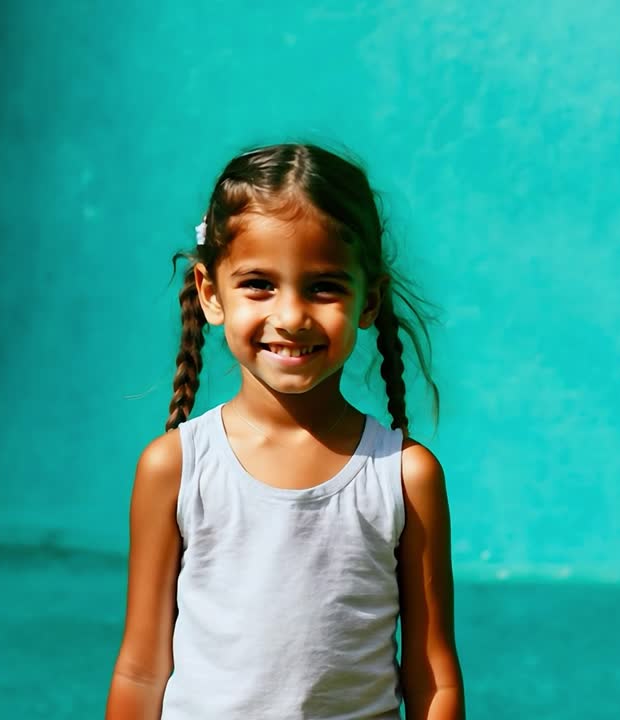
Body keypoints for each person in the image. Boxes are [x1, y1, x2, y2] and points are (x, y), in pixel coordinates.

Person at [105, 143, 464, 719]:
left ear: (367, 301)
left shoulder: (405, 477)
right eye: (258, 284)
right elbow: (140, 668)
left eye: (324, 287)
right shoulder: (174, 467)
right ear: (209, 293)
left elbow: (433, 678)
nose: (291, 315)